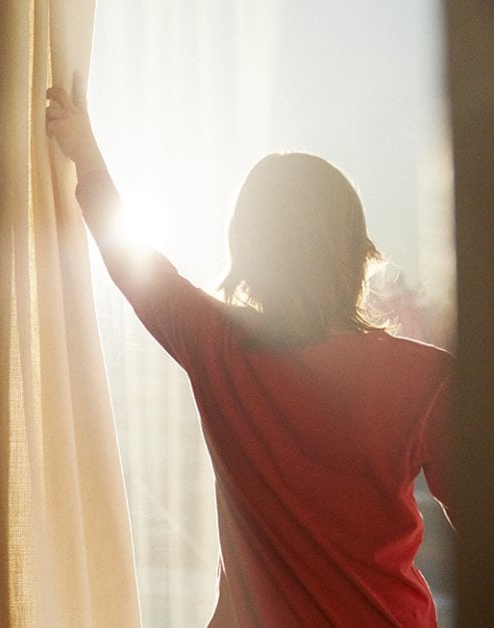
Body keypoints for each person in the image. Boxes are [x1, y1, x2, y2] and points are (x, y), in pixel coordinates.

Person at [46, 78, 454, 626]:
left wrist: (86, 152)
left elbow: (134, 264)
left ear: (247, 252)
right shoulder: (426, 376)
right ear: (357, 249)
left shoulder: (217, 345)